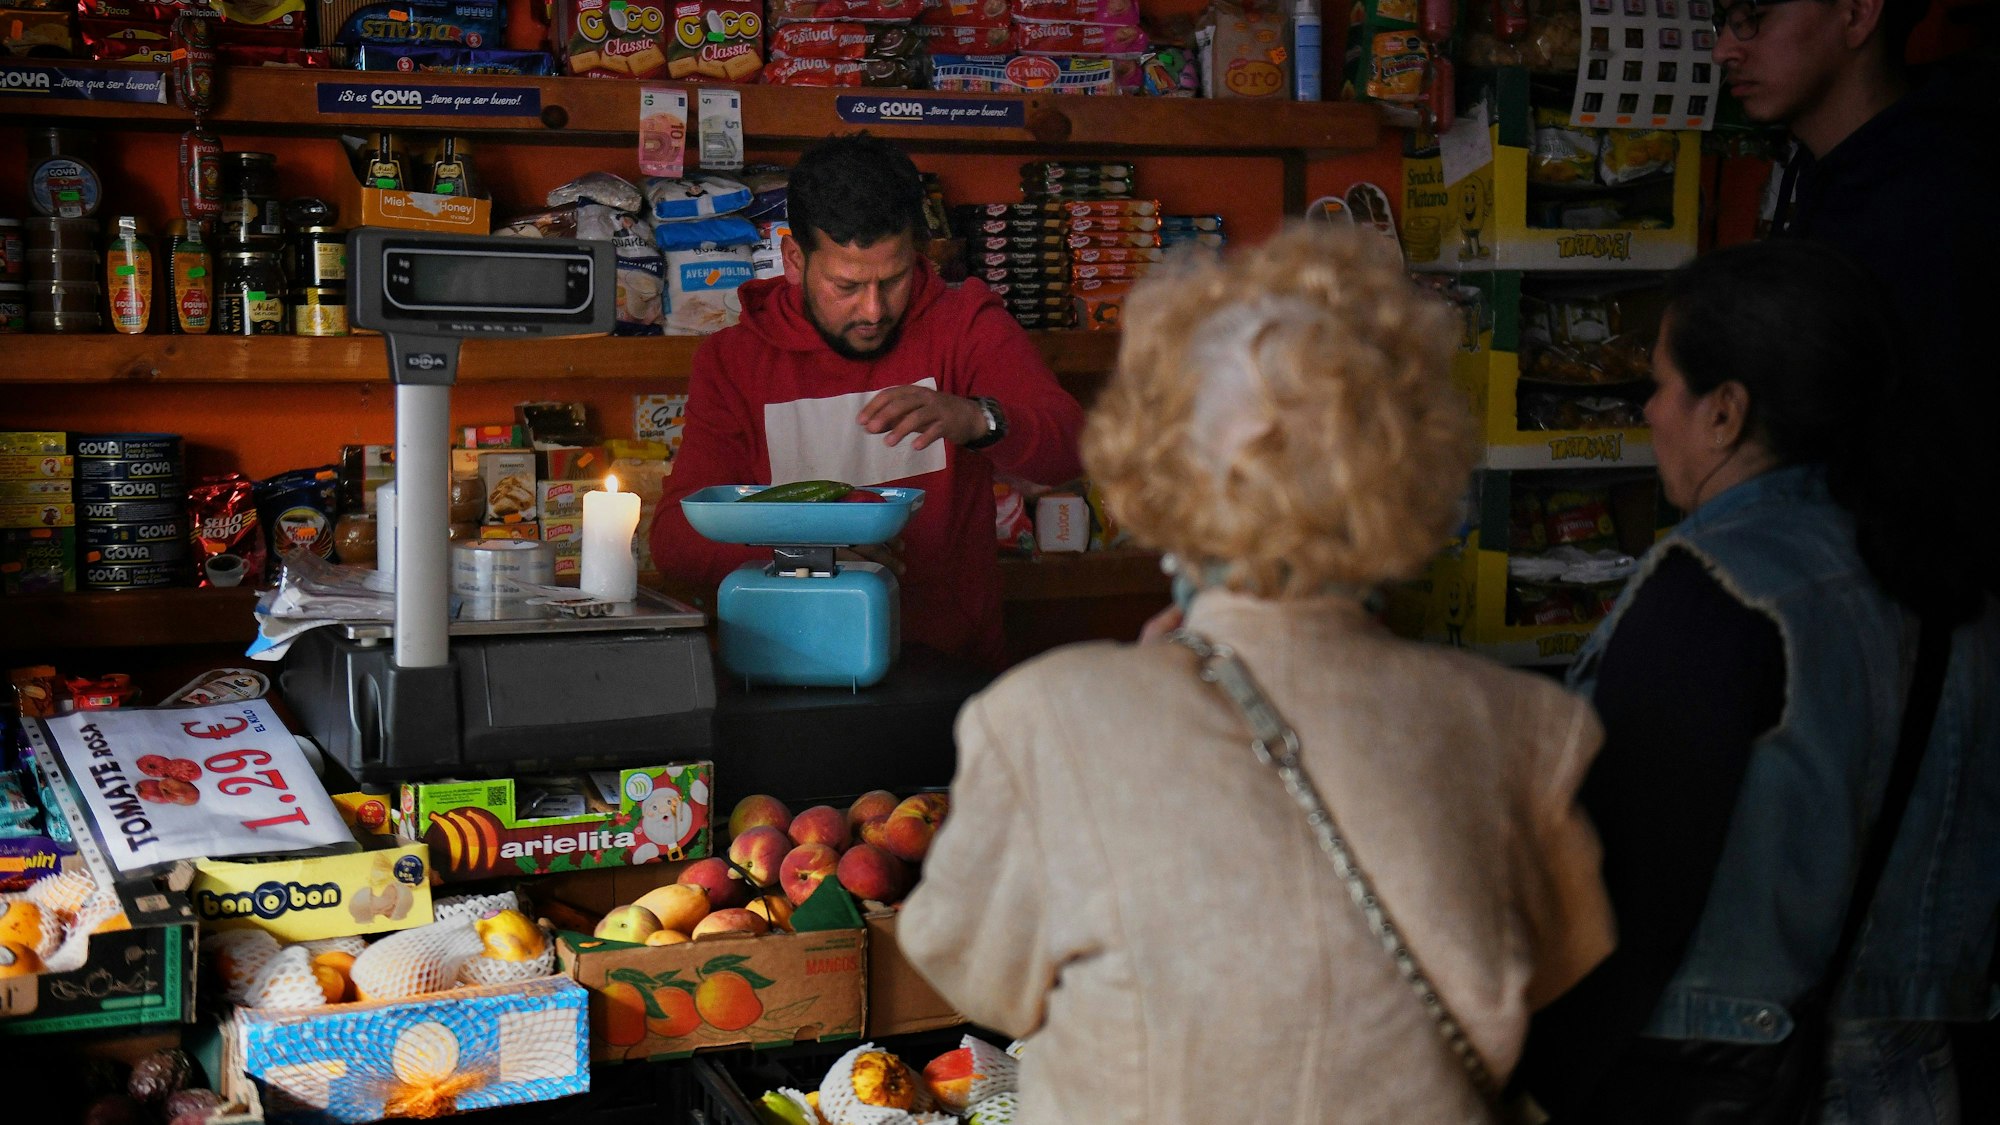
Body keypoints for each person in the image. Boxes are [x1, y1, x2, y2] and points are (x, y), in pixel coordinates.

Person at [899, 225, 1616, 1125]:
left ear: (1159, 464)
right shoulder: (1525, 729)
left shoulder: (1043, 717)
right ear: (1404, 468)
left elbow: (979, 977)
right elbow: (1554, 970)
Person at [1516, 239, 2000, 1123]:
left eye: (1661, 384)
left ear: (1724, 413)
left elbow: (1627, 897)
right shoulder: (1954, 581)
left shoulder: (1718, 587)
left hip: (1720, 1082)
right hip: (1912, 1079)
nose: (1651, 410)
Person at [650, 133, 1086, 670]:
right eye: (847, 285)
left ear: (917, 254)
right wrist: (806, 557)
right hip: (787, 665)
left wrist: (979, 418)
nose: (874, 310)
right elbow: (675, 540)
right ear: (793, 258)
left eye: (895, 279)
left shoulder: (964, 324)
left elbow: (1073, 447)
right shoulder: (734, 361)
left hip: (950, 670)